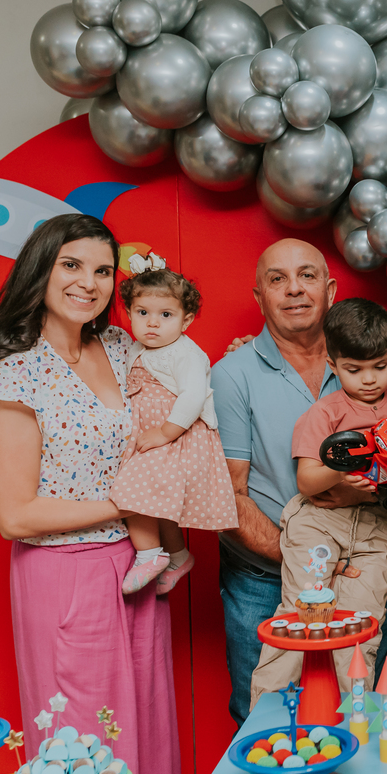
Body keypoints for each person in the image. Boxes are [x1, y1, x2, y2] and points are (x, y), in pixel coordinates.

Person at [0, 214, 179, 774]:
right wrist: (130, 503)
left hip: (137, 568)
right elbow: (16, 515)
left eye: (104, 270)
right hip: (65, 576)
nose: (89, 282)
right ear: (41, 271)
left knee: (147, 727)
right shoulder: (17, 376)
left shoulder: (121, 346)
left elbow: (172, 408)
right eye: (72, 265)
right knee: (85, 743)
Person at [211, 239, 387, 726]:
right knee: (266, 722)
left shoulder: (377, 370)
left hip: (360, 572)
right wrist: (313, 561)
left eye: (307, 276)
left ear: (331, 289)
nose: (294, 289)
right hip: (262, 580)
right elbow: (227, 495)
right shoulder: (231, 375)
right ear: (259, 297)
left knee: (354, 713)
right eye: (277, 279)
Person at [249, 299, 387, 702]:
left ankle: (354, 718)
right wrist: (350, 465)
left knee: (361, 628)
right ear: (333, 363)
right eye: (353, 369)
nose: (368, 379)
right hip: (319, 523)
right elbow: (308, 480)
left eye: (379, 367)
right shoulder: (324, 413)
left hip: (373, 530)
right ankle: (268, 714)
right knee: (301, 616)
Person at [110, 254, 238, 595]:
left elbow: (193, 396)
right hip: (152, 435)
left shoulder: (184, 352)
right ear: (129, 313)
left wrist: (166, 432)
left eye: (165, 315)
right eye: (142, 313)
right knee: (156, 502)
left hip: (177, 437)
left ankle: (150, 555)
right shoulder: (136, 348)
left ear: (186, 319)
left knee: (132, 490)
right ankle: (178, 556)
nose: (153, 323)